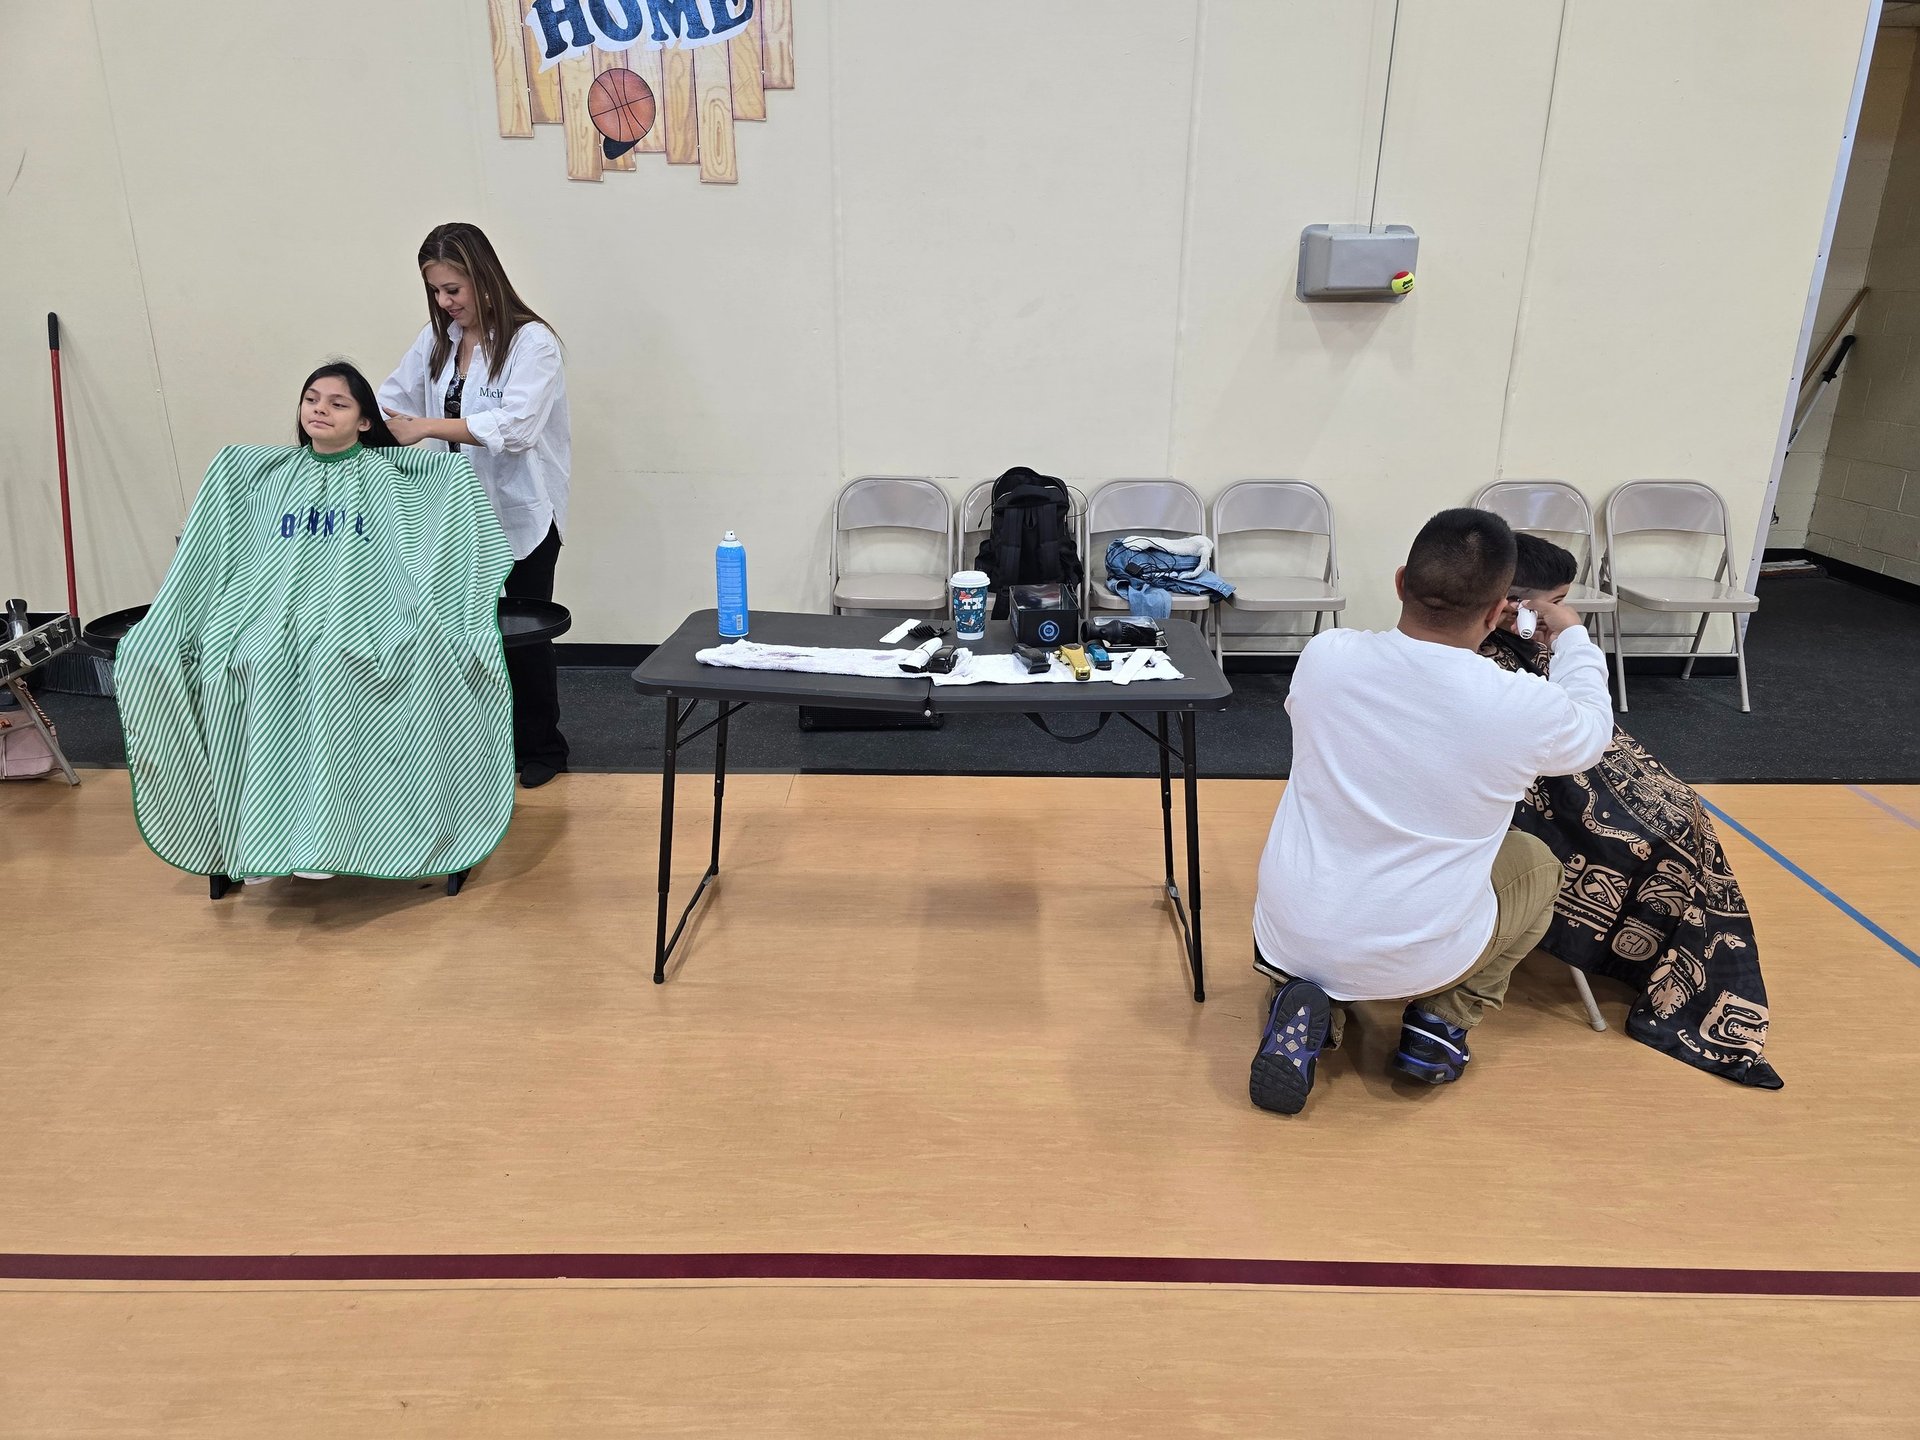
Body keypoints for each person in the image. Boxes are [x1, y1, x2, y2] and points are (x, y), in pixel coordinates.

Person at [1248, 508, 1614, 1115]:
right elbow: (1591, 731)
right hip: (1420, 959)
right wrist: (1571, 633)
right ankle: (1442, 1022)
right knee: (1538, 861)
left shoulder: (1325, 657)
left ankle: (1308, 1004)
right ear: (1501, 613)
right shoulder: (1524, 708)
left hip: (1290, 935)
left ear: (1398, 583)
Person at [1479, 534, 1782, 1088]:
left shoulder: (1536, 650)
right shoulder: (1484, 668)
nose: (1556, 615)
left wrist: (1563, 643)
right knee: (1653, 847)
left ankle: (1662, 946)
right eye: (1551, 603)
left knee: (1683, 819)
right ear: (1509, 603)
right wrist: (1572, 639)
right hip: (1542, 792)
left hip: (1584, 767)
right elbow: (1572, 743)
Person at [378, 221, 571, 788]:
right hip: (452, 516)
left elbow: (517, 428)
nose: (446, 302)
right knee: (459, 635)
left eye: (454, 290)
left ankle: (543, 747)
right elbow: (392, 401)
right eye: (436, 291)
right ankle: (478, 749)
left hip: (521, 514)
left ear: (485, 280)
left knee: (521, 635)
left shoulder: (533, 343)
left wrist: (428, 426)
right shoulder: (435, 341)